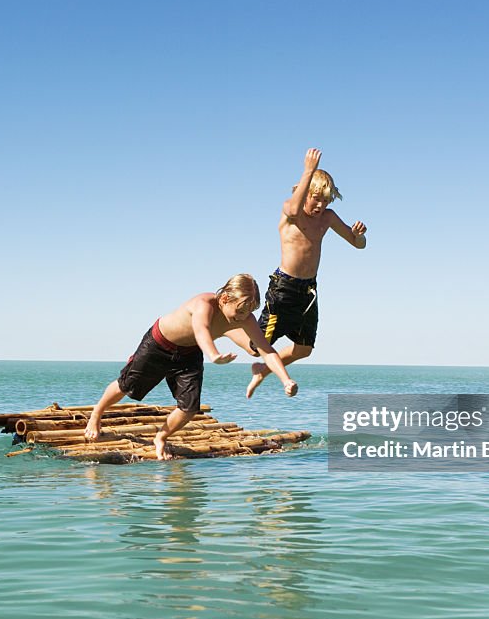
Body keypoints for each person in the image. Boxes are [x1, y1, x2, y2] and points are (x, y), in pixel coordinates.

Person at [83, 273, 299, 460]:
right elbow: (201, 330)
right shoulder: (203, 304)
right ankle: (96, 415)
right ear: (224, 298)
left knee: (189, 408)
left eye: (248, 312)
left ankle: (161, 437)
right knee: (126, 385)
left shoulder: (246, 318)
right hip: (159, 344)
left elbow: (266, 350)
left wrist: (285, 379)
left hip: (188, 354)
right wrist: (213, 355)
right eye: (240, 311)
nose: (242, 318)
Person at [225, 148, 367, 397]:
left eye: (325, 200)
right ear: (305, 193)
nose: (320, 205)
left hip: (309, 292)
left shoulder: (328, 218)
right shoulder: (291, 213)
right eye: (315, 198)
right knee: (256, 347)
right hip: (284, 289)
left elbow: (358, 245)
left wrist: (359, 236)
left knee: (304, 349)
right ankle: (228, 329)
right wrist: (308, 171)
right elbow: (292, 209)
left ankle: (262, 370)